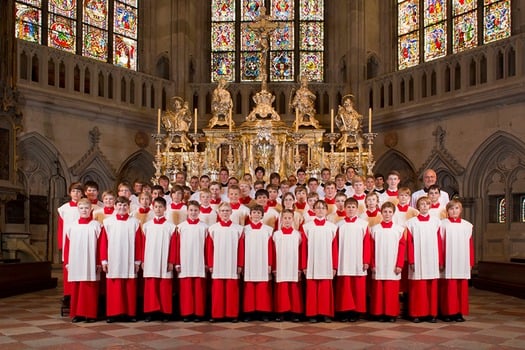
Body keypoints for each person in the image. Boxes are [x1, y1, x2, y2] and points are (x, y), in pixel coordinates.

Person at [100, 196, 143, 323]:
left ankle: (130, 313)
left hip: (129, 259)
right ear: (115, 206)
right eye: (119, 205)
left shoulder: (135, 222)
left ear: (128, 207)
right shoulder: (108, 222)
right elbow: (103, 243)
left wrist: (137, 261)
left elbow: (139, 243)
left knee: (129, 287)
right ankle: (113, 313)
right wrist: (104, 260)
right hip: (113, 259)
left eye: (124, 205)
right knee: (114, 287)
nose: (122, 208)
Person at [64, 198, 102, 323]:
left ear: (91, 209)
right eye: (81, 208)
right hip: (76, 260)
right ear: (78, 209)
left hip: (91, 260)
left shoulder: (96, 225)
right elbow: (68, 245)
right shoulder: (72, 226)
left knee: (89, 287)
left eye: (86, 208)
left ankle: (90, 314)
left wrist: (98, 262)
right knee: (76, 287)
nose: (84, 210)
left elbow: (100, 245)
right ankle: (77, 314)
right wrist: (68, 262)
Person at [406, 196, 443, 323]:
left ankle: (431, 313)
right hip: (417, 258)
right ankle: (416, 313)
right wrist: (411, 260)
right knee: (418, 287)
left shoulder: (436, 222)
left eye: (426, 204)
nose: (424, 206)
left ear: (430, 206)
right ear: (418, 206)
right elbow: (409, 243)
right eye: (421, 204)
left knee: (430, 287)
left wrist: (440, 260)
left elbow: (439, 242)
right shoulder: (411, 223)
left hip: (432, 258)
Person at [301, 200, 339, 323]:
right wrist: (304, 265)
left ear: (327, 210)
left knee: (325, 288)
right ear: (313, 210)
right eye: (318, 208)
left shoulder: (332, 227)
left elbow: (335, 248)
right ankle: (312, 313)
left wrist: (334, 266)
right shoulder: (307, 227)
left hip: (327, 262)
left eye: (323, 208)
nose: (320, 210)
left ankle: (325, 313)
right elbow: (304, 248)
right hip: (311, 262)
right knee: (312, 288)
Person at [206, 202, 244, 322]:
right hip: (217, 263)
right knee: (217, 290)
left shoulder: (238, 229)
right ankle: (217, 314)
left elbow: (241, 248)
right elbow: (209, 248)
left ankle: (232, 314)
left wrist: (240, 264)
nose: (225, 213)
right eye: (222, 211)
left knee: (231, 290)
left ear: (231, 212)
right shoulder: (212, 229)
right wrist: (210, 264)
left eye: (227, 211)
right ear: (218, 212)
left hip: (232, 263)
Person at [141, 197, 177, 322]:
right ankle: (150, 312)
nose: (158, 209)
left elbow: (174, 245)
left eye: (161, 207)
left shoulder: (171, 227)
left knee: (164, 286)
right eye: (156, 206)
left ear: (165, 209)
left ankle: (165, 312)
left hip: (165, 260)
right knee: (151, 286)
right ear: (152, 207)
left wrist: (171, 261)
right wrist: (142, 260)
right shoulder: (146, 226)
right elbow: (143, 244)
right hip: (150, 259)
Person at [369, 202, 406, 322]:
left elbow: (402, 249)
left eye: (390, 212)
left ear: (393, 213)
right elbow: (371, 249)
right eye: (385, 211)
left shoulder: (399, 230)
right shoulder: (374, 229)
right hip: (379, 264)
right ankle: (379, 313)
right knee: (379, 290)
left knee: (391, 290)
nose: (387, 214)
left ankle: (391, 313)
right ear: (381, 212)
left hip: (393, 264)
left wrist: (400, 264)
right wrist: (373, 264)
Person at [335, 198, 371, 322]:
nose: (350, 209)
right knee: (345, 287)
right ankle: (345, 311)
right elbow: (336, 244)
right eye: (348, 207)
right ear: (344, 209)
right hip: (343, 259)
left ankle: (356, 311)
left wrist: (366, 260)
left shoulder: (363, 224)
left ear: (357, 209)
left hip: (358, 259)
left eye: (353, 207)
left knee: (357, 286)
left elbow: (367, 243)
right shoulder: (339, 225)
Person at [439, 199, 474, 322]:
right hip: (448, 260)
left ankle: (459, 312)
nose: (454, 211)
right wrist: (441, 261)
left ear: (461, 210)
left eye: (457, 208)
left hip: (462, 261)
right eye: (451, 208)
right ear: (447, 211)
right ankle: (447, 312)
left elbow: (470, 245)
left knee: (461, 287)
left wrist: (470, 262)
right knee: (448, 287)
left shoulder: (467, 225)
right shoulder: (442, 224)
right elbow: (439, 244)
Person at [176, 200, 209, 322]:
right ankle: (187, 312)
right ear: (187, 211)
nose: (193, 212)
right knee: (186, 288)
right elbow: (177, 245)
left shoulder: (205, 227)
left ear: (199, 211)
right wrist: (177, 262)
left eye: (195, 210)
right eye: (191, 210)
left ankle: (199, 313)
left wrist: (207, 263)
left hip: (199, 260)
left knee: (199, 288)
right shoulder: (181, 227)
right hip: (185, 261)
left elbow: (207, 246)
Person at [241, 205, 274, 321]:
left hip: (262, 261)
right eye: (254, 212)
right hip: (249, 261)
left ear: (262, 215)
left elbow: (270, 248)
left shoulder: (268, 230)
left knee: (262, 287)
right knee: (249, 287)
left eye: (258, 213)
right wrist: (242, 264)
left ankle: (263, 312)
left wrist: (270, 263)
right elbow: (241, 247)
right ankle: (249, 312)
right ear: (250, 215)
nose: (256, 215)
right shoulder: (244, 230)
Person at [272, 209, 303, 322]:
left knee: (294, 289)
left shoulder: (298, 235)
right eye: (285, 218)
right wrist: (274, 267)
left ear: (293, 220)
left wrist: (300, 268)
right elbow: (273, 252)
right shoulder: (276, 235)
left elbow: (301, 252)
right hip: (281, 265)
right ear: (281, 220)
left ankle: (295, 313)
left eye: (289, 218)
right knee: (282, 289)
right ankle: (282, 312)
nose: (287, 220)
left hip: (294, 265)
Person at [57, 181, 84, 308]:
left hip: (83, 243)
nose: (76, 194)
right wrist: (61, 245)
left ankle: (80, 296)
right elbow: (61, 228)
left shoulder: (85, 206)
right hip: (68, 242)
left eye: (78, 191)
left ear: (82, 193)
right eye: (74, 191)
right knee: (68, 270)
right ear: (69, 193)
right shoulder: (64, 209)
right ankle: (68, 295)